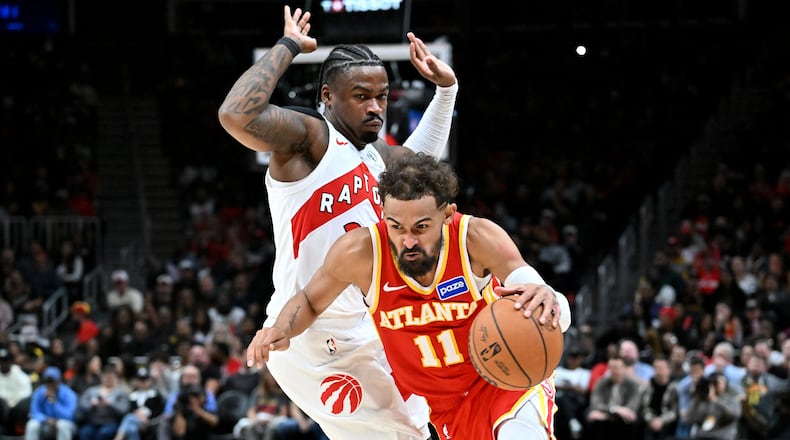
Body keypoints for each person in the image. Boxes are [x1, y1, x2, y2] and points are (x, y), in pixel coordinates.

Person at [219, 4, 459, 439]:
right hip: (307, 333)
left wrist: (446, 91)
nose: (376, 107)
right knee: (409, 433)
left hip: (364, 329)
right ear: (328, 96)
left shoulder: (375, 155)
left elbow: (420, 163)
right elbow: (236, 115)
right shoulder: (310, 139)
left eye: (382, 96)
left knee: (437, 414)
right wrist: (289, 45)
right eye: (361, 96)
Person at [247, 153, 571, 439]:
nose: (408, 240)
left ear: (447, 215)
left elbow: (536, 292)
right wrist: (280, 328)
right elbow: (309, 300)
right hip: (445, 407)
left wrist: (547, 297)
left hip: (505, 380)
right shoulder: (361, 252)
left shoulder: (476, 238)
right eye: (396, 226)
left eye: (421, 227)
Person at [25, 366, 78, 440]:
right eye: (48, 381)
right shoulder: (39, 392)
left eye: (52, 381)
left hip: (66, 424)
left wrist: (54, 402)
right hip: (45, 422)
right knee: (32, 424)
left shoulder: (69, 394)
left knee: (62, 425)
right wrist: (46, 419)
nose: (50, 384)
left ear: (59, 381)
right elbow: (34, 412)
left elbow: (69, 416)